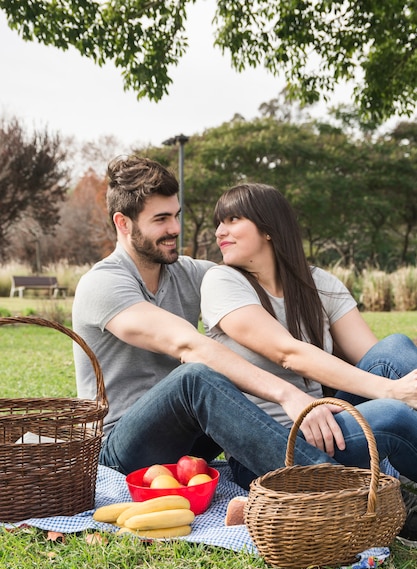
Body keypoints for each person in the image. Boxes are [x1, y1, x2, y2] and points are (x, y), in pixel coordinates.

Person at [72, 155, 349, 491]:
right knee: (196, 377)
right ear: (123, 223)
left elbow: (257, 277)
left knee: (222, 373)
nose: (174, 228)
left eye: (176, 216)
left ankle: (361, 463)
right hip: (122, 449)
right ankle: (336, 486)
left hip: (192, 440)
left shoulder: (193, 274)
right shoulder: (103, 284)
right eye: (161, 219)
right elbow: (188, 346)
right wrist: (288, 395)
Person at [200, 181, 417, 545]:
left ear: (268, 228)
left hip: (328, 424)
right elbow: (288, 352)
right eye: (219, 222)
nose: (220, 231)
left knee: (394, 347)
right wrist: (392, 391)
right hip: (273, 442)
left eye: (233, 219)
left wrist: (398, 384)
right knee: (393, 417)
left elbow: (373, 358)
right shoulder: (222, 282)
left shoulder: (317, 282)